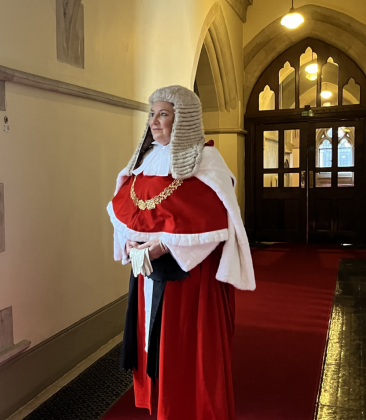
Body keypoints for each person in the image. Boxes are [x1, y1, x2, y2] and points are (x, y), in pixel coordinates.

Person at [107, 85, 255, 420]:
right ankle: (160, 402)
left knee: (183, 345)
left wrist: (166, 245)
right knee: (151, 342)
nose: (154, 122)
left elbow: (215, 221)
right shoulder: (144, 162)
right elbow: (125, 209)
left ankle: (188, 407)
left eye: (163, 114)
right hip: (148, 274)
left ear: (184, 119)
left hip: (189, 277)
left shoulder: (207, 161)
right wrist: (129, 241)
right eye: (152, 114)